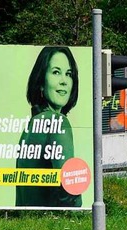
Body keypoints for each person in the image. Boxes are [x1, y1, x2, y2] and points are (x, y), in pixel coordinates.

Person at [16, 46, 82, 207]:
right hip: (56, 223)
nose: (64, 81)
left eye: (68, 74)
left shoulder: (31, 127)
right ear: (41, 83)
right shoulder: (57, 122)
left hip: (28, 221)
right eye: (56, 72)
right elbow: (68, 187)